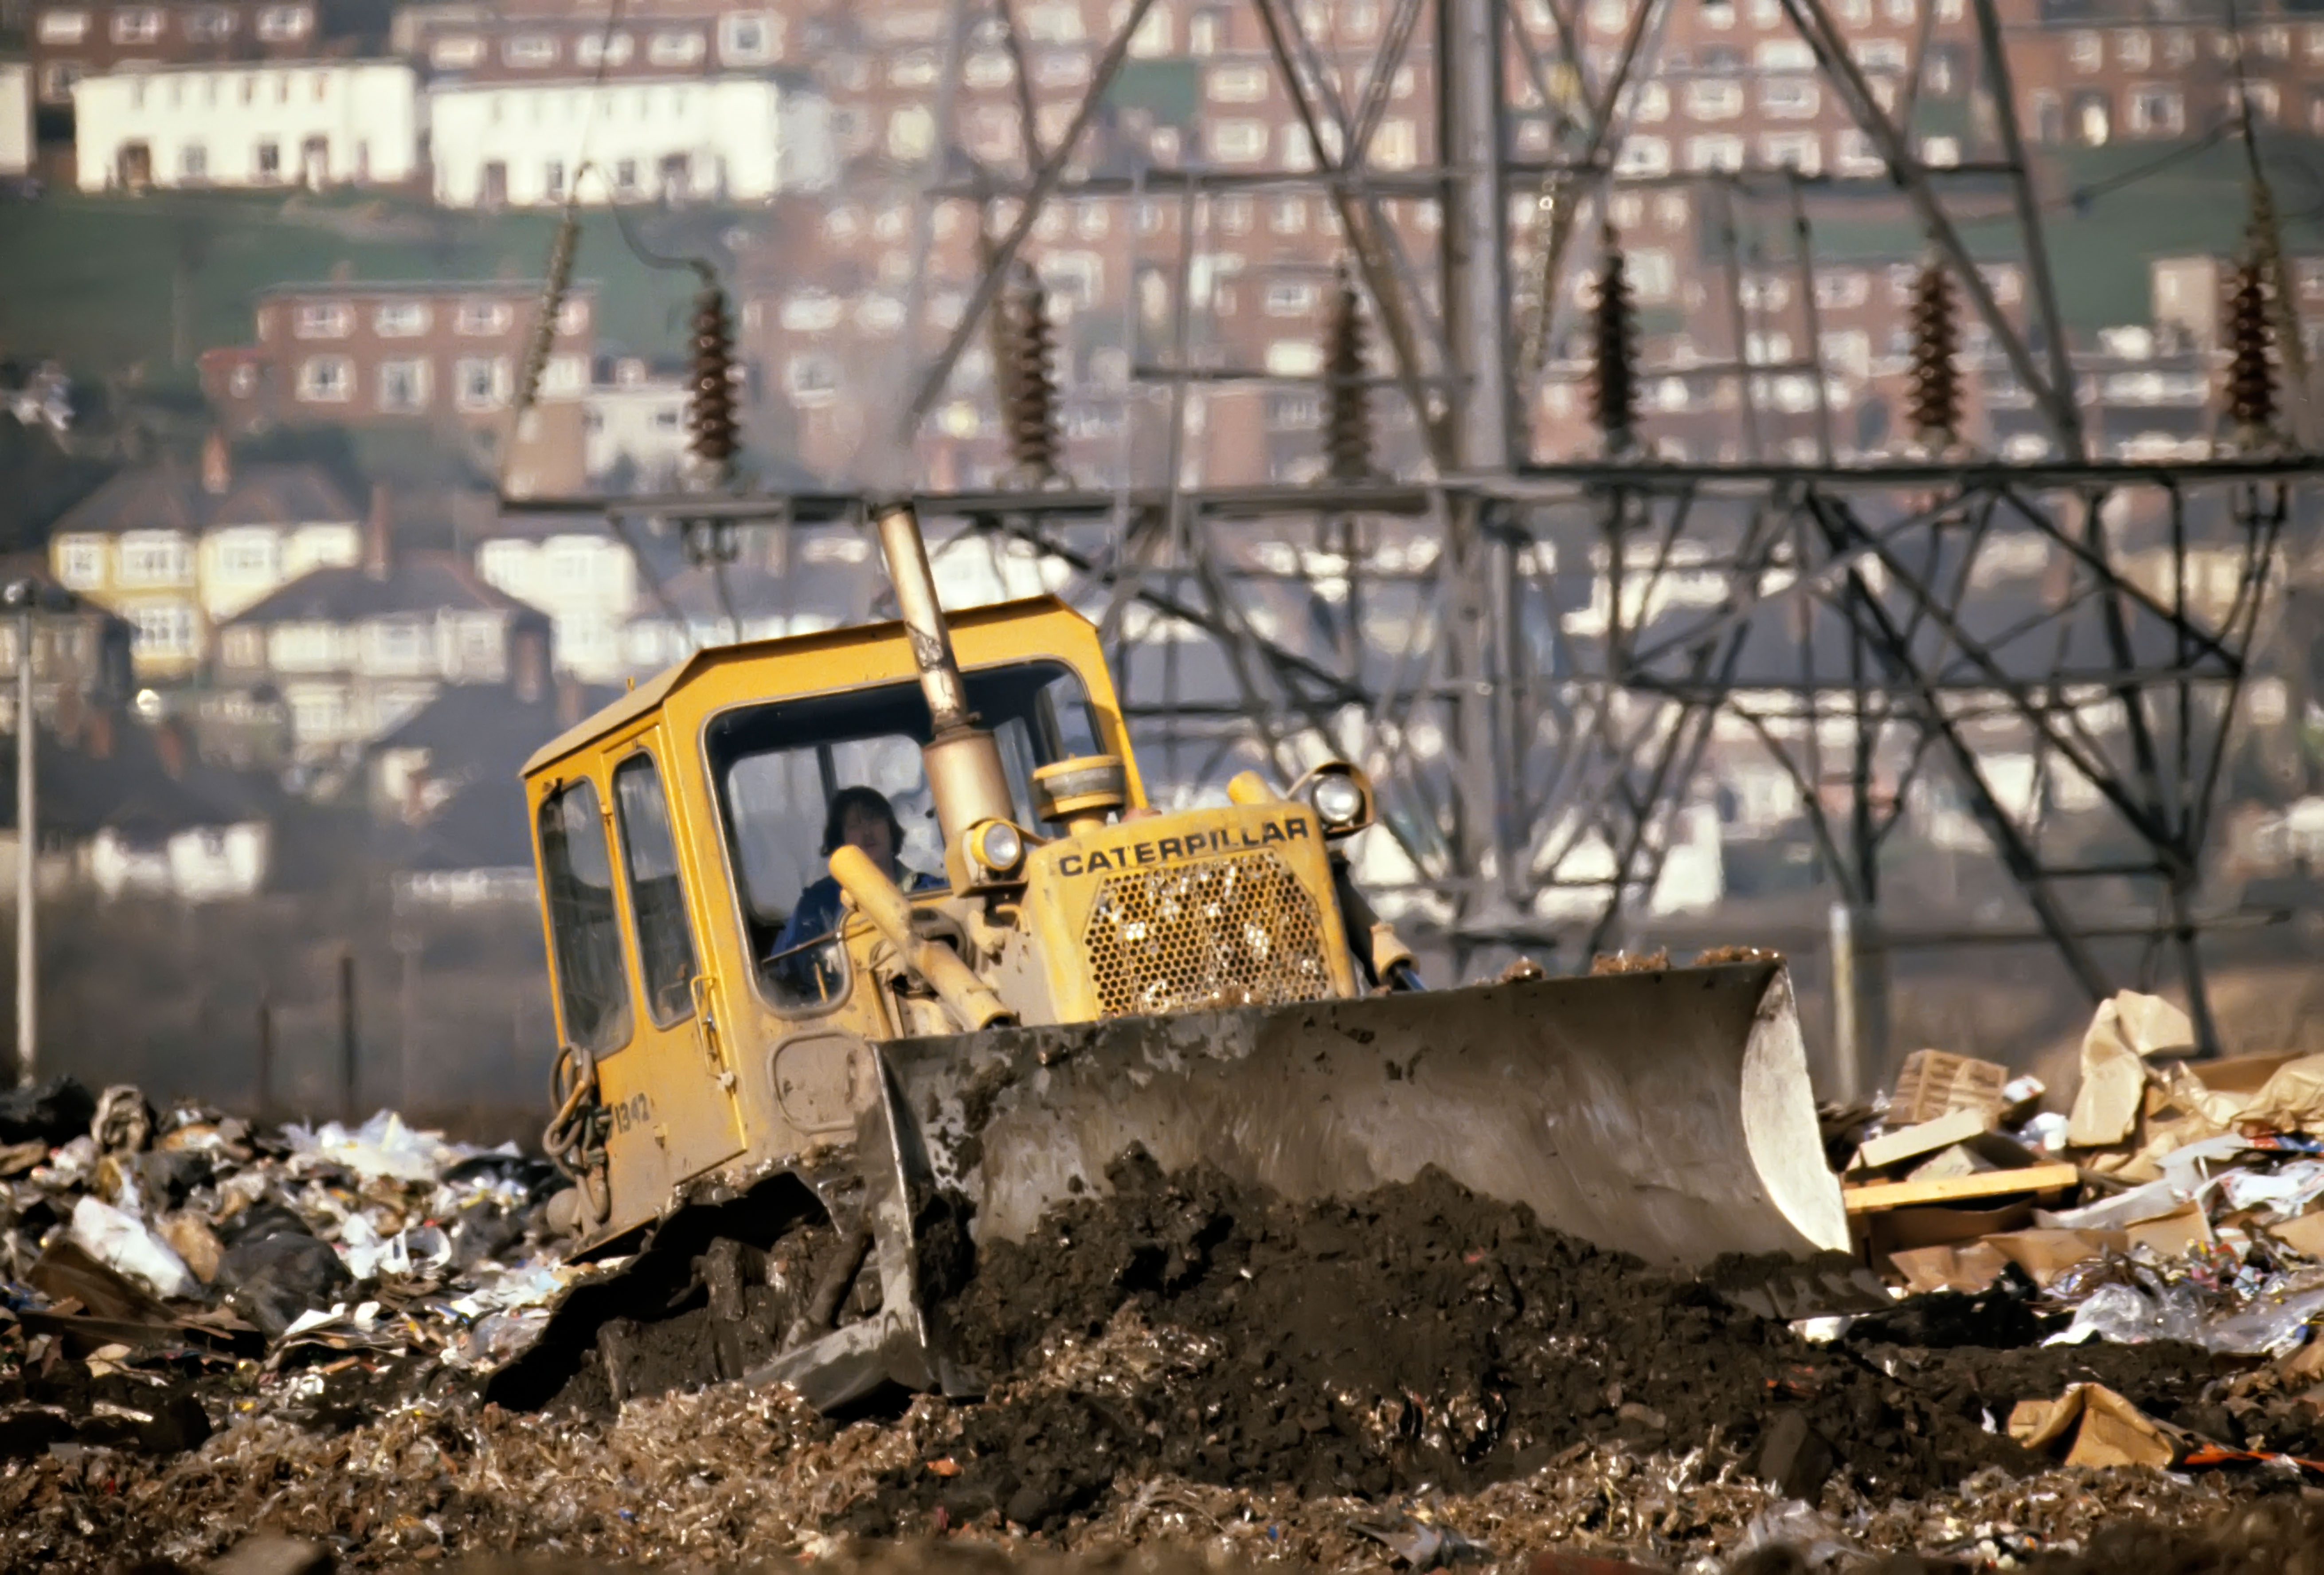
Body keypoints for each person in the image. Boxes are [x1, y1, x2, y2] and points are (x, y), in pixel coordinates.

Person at [767, 786, 944, 983]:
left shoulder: (931, 889)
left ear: (891, 829)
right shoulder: (818, 904)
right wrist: (828, 962)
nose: (867, 832)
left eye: (874, 819)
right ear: (840, 839)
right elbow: (788, 966)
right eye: (854, 825)